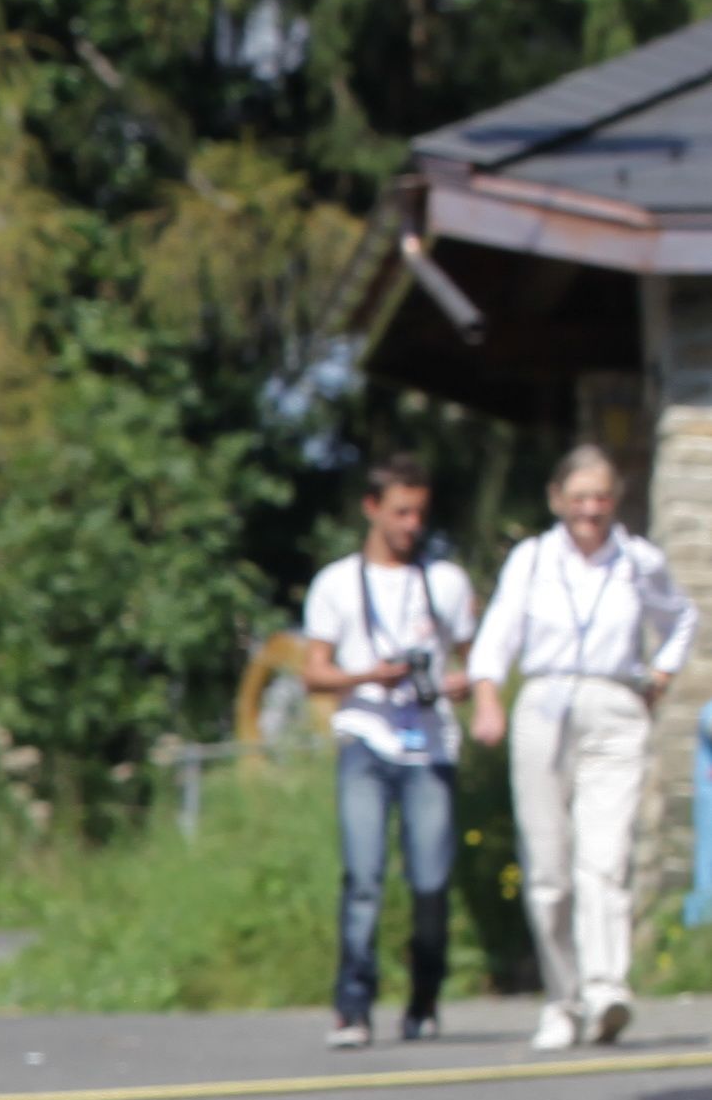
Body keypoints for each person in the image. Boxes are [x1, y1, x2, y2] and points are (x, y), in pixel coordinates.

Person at [470, 444, 696, 1049]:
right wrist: (487, 698)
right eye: (579, 498)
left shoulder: (638, 560)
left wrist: (662, 676)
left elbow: (680, 617)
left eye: (600, 498)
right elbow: (496, 639)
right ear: (557, 500)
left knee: (605, 857)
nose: (590, 510)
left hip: (615, 705)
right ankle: (562, 998)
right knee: (548, 868)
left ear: (614, 502)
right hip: (545, 704)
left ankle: (606, 989)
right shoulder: (533, 559)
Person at [297, 454, 477, 1049]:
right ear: (372, 509)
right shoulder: (336, 584)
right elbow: (313, 672)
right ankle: (353, 1005)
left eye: (420, 513)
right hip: (366, 742)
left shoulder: (446, 582)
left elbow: (479, 664)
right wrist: (369, 675)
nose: (411, 525)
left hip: (429, 747)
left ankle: (424, 1000)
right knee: (364, 876)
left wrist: (459, 683)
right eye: (400, 512)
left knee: (430, 881)